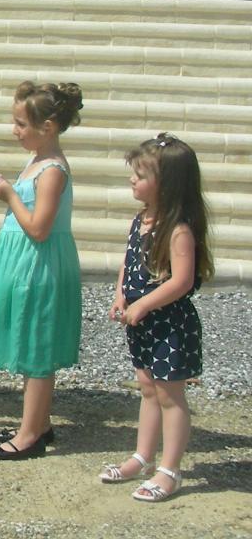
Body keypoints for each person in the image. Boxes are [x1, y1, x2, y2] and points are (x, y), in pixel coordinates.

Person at [0, 81, 84, 461]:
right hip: (26, 265)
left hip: (40, 267)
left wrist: (11, 196)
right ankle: (36, 420)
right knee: (29, 340)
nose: (15, 130)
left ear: (48, 126)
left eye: (21, 124)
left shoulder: (51, 170)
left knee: (38, 348)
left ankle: (31, 433)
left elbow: (38, 227)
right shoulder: (36, 160)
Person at [100, 134, 214, 502]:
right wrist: (121, 294)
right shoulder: (141, 220)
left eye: (141, 175)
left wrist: (145, 304)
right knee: (147, 389)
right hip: (142, 323)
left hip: (170, 326)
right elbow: (128, 262)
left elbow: (181, 281)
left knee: (170, 396)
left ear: (167, 185)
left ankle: (170, 469)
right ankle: (142, 456)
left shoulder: (177, 229)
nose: (132, 179)